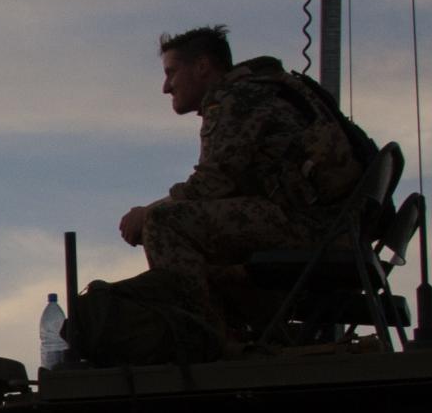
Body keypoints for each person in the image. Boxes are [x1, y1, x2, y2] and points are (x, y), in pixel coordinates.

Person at [118, 25, 363, 334]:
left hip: (309, 227)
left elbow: (211, 184)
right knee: (198, 243)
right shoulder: (261, 87)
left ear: (203, 66)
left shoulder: (236, 98)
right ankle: (246, 335)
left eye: (172, 73)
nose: (166, 87)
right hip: (329, 226)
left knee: (165, 223)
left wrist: (146, 214)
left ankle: (204, 342)